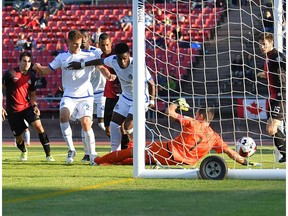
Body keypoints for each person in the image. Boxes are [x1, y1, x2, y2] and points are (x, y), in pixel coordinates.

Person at [34, 30, 114, 165]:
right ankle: (71, 149)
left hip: (86, 95)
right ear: (68, 43)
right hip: (69, 95)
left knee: (86, 124)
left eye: (79, 44)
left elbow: (101, 67)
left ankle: (93, 154)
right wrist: (39, 68)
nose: (77, 47)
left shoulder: (89, 55)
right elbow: (48, 70)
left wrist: (108, 75)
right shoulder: (62, 57)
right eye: (74, 44)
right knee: (63, 115)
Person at [93, 101, 252, 166]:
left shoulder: (192, 122)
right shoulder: (215, 137)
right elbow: (232, 153)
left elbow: (169, 112)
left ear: (201, 116)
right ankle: (116, 162)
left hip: (169, 152)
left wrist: (177, 102)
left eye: (197, 114)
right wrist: (246, 163)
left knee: (132, 152)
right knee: (140, 158)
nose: (195, 115)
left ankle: (98, 160)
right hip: (184, 163)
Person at [67, 42, 156, 152]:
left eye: (124, 58)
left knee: (128, 125)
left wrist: (152, 101)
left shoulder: (137, 65)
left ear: (128, 55)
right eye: (120, 59)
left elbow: (151, 84)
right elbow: (99, 61)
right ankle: (115, 152)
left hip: (140, 99)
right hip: (125, 97)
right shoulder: (113, 60)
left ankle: (139, 148)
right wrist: (81, 65)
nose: (122, 62)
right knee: (113, 125)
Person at [2, 51, 55, 162]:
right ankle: (24, 151)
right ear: (19, 61)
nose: (27, 63)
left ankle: (48, 155)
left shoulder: (32, 76)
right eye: (24, 61)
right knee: (19, 138)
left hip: (26, 107)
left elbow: (32, 94)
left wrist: (35, 105)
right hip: (13, 111)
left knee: (39, 127)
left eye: (29, 61)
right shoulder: (10, 74)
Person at [257, 33, 286, 163]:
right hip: (273, 97)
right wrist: (264, 74)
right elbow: (274, 72)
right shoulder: (268, 58)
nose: (262, 47)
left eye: (265, 44)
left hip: (281, 96)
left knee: (271, 129)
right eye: (260, 44)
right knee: (270, 129)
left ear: (271, 44)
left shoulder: (276, 55)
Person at [79, 29, 107, 162]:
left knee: (102, 124)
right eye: (81, 37)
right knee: (85, 123)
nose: (83, 39)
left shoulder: (96, 51)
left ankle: (117, 147)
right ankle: (87, 153)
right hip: (86, 93)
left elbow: (105, 54)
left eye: (85, 37)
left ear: (89, 38)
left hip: (101, 92)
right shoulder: (76, 54)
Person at [98, 33, 129, 150]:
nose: (105, 47)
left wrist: (117, 78)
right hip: (109, 94)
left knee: (121, 125)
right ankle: (119, 146)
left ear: (111, 43)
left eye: (106, 45)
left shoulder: (117, 56)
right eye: (102, 45)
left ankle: (124, 148)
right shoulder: (102, 57)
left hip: (121, 95)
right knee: (107, 128)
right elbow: (99, 65)